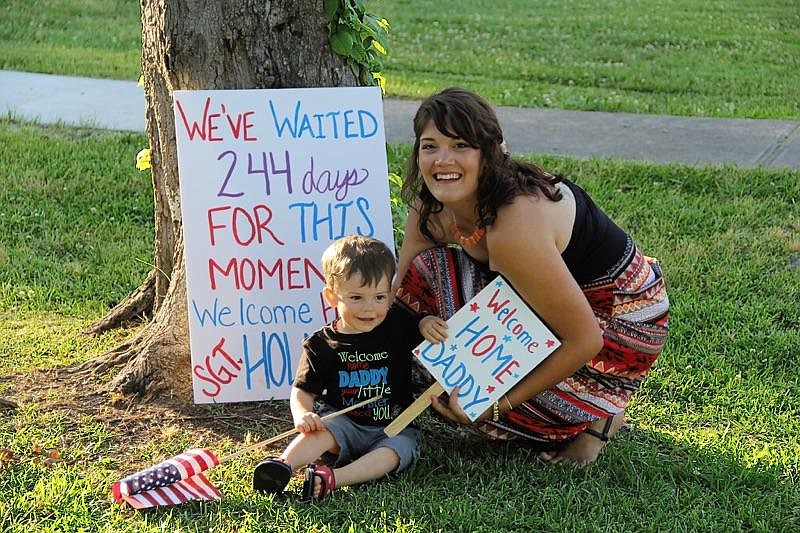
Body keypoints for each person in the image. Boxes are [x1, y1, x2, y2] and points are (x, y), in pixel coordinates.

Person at [392, 87, 669, 465]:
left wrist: (494, 404)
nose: (443, 160)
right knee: (416, 294)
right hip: (545, 301)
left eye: (460, 145)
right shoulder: (432, 207)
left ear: (490, 153)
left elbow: (585, 339)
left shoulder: (512, 228)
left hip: (621, 318)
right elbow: (398, 292)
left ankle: (595, 416)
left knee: (489, 406)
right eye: (430, 146)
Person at [253, 236, 447, 500]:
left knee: (396, 451)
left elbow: (420, 327)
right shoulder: (321, 344)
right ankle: (282, 467)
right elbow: (302, 391)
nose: (370, 308)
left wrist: (425, 323)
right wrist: (302, 415)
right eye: (356, 297)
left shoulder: (398, 324)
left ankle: (332, 478)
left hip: (395, 423)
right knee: (320, 432)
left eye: (379, 296)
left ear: (390, 294)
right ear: (331, 296)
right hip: (344, 423)